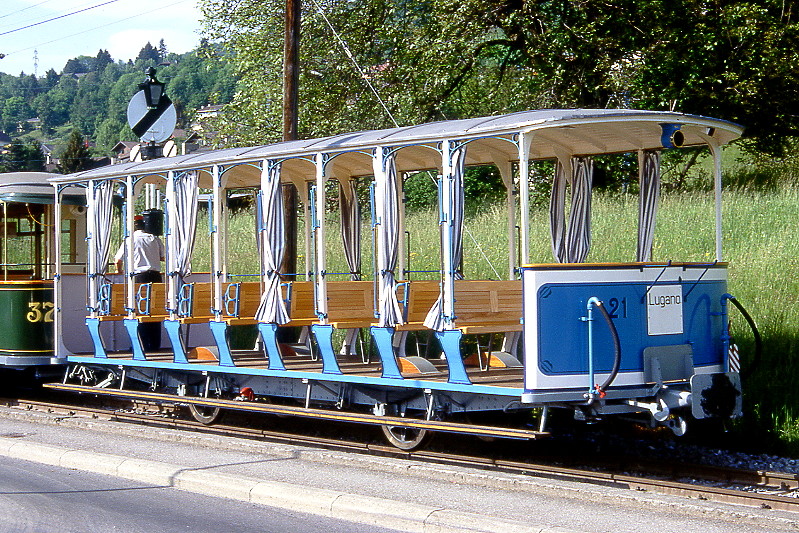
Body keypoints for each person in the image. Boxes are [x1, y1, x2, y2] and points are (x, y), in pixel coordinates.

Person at [114, 215, 165, 351]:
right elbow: (163, 257)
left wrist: (119, 271)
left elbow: (118, 260)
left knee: (140, 310)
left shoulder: (129, 240)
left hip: (139, 277)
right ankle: (154, 345)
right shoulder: (154, 238)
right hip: (155, 277)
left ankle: (140, 345)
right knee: (154, 311)